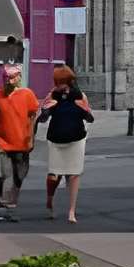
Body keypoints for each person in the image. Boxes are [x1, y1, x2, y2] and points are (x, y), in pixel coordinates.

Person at [0, 62, 40, 223]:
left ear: (18, 78)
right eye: (5, 78)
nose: (7, 81)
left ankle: (12, 202)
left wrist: (31, 138)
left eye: (10, 78)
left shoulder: (27, 95)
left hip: (21, 143)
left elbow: (32, 118)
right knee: (0, 173)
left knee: (20, 174)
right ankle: (2, 206)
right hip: (1, 142)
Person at [41, 64, 93, 224]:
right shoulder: (53, 95)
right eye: (57, 82)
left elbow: (89, 118)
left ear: (69, 81)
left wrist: (84, 110)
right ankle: (50, 198)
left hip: (76, 138)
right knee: (53, 175)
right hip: (56, 139)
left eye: (61, 82)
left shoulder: (79, 96)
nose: (59, 85)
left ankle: (72, 210)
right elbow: (43, 118)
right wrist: (46, 109)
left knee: (74, 174)